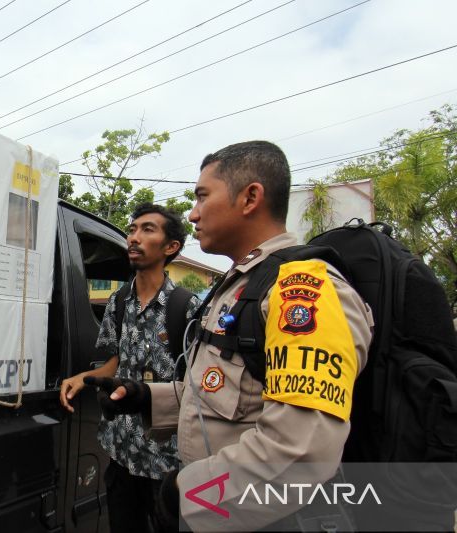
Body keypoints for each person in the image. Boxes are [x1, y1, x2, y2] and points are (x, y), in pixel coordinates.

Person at [86, 141, 373, 531]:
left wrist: (189, 496)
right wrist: (145, 397)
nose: (193, 213)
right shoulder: (240, 287)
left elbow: (301, 451)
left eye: (203, 196)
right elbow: (223, 393)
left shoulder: (302, 291)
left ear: (250, 197)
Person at [60, 203, 200, 533]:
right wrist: (83, 378)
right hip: (122, 453)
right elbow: (117, 360)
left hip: (167, 465)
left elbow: (199, 386)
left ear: (171, 247)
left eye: (147, 229)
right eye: (132, 229)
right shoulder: (119, 301)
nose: (134, 237)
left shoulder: (187, 306)